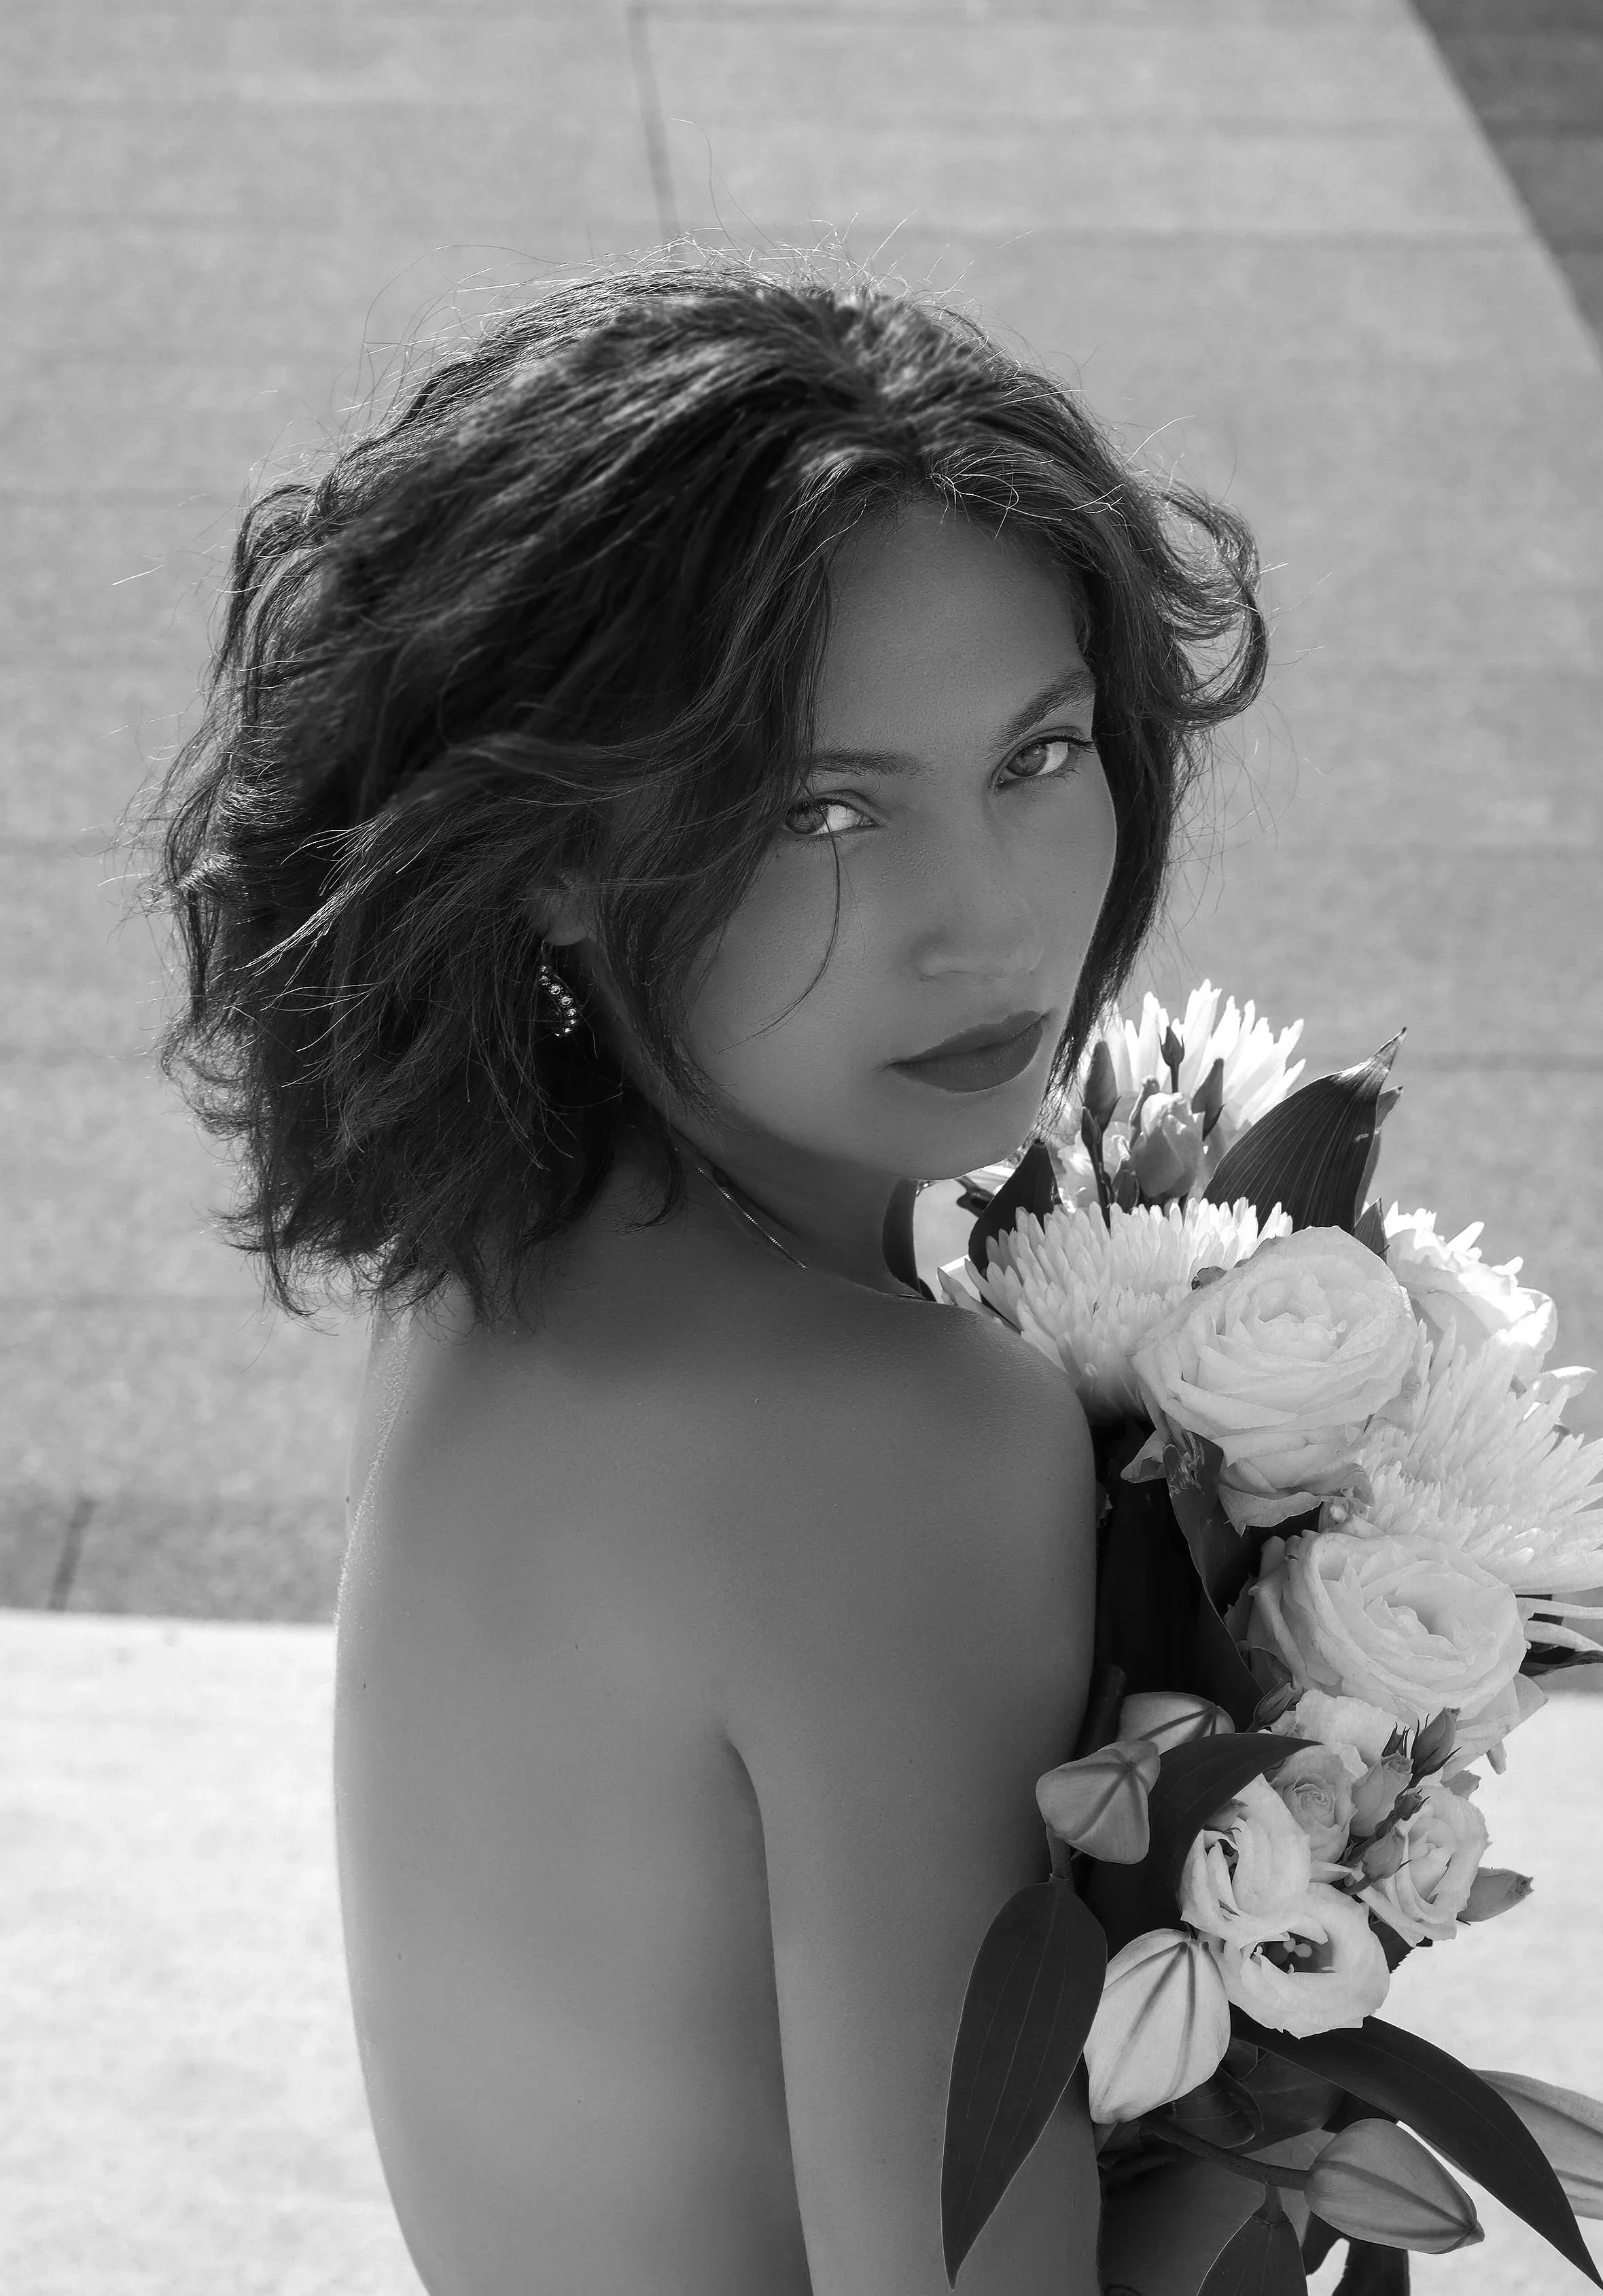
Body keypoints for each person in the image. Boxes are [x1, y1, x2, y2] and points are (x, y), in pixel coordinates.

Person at [139, 254, 1265, 2295]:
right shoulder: (886, 1441)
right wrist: (1283, 2122)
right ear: (550, 853)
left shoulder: (491, 1255)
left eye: (1035, 754)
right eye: (821, 809)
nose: (991, 925)